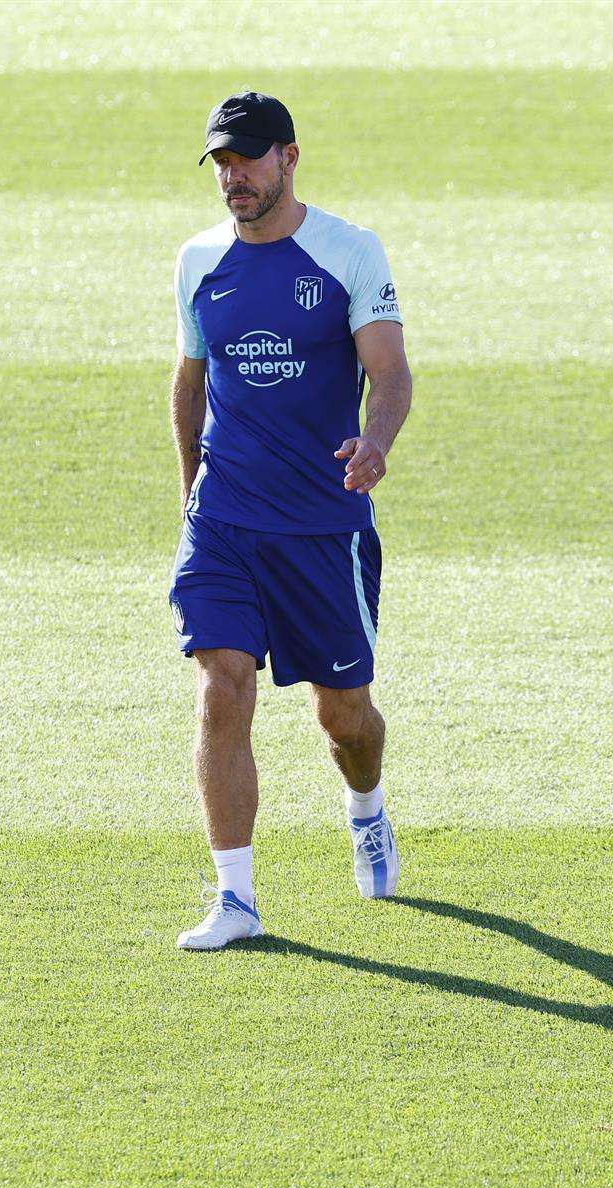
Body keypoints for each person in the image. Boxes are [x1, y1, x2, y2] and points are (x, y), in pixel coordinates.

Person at [168, 92, 413, 950]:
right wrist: (194, 491)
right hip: (226, 520)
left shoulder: (348, 251)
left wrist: (374, 445)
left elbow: (389, 372)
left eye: (249, 159)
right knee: (220, 688)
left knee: (344, 716)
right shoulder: (199, 260)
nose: (234, 177)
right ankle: (235, 898)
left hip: (321, 525)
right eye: (222, 163)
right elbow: (191, 380)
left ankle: (367, 806)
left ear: (289, 158)